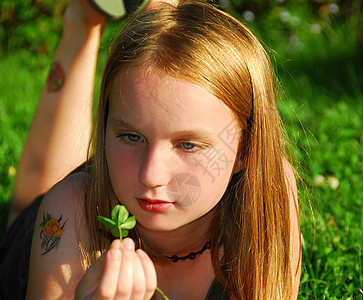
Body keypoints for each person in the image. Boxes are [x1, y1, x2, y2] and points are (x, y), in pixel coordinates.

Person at [3, 0, 302, 299]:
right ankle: (83, 22)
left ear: (246, 150)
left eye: (188, 145)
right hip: (52, 229)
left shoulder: (269, 193)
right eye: (131, 136)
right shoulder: (69, 210)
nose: (151, 175)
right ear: (104, 126)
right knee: (37, 202)